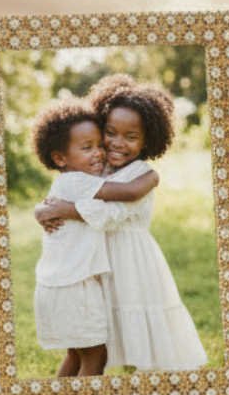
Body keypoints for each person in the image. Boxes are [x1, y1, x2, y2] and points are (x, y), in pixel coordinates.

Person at [36, 74, 208, 372]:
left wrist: (64, 208)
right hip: (93, 264)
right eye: (110, 132)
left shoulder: (140, 174)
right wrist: (43, 210)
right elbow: (66, 186)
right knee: (86, 339)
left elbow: (108, 211)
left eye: (131, 137)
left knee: (127, 327)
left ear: (148, 140)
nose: (117, 143)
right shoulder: (97, 165)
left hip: (129, 261)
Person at [29, 98, 159, 376]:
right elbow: (128, 193)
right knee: (95, 357)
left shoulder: (67, 180)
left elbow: (49, 205)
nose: (100, 152)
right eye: (87, 148)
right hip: (76, 284)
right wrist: (151, 178)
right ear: (60, 158)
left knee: (76, 356)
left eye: (99, 144)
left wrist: (43, 210)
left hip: (58, 282)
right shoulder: (80, 181)